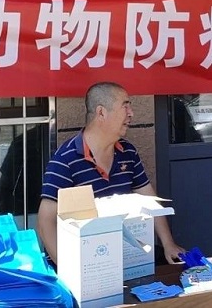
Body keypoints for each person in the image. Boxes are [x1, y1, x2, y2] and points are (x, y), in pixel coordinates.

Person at [37, 82, 186, 265]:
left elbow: (150, 200)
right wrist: (68, 269)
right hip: (83, 259)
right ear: (101, 112)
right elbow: (45, 222)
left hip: (124, 254)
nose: (131, 113)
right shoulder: (66, 159)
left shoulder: (128, 152)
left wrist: (168, 243)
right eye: (125, 106)